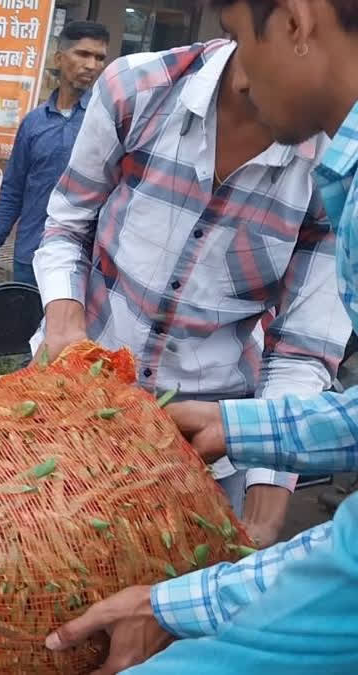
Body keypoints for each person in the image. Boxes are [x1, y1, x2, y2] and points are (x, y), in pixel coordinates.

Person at [46, 2, 358, 670]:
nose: (238, 68)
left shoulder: (334, 176)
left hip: (194, 466)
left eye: (242, 35)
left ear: (296, 24)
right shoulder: (137, 91)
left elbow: (303, 347)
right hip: (80, 422)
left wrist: (265, 483)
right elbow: (66, 222)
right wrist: (65, 320)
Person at [0, 21, 109, 288]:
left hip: (82, 261)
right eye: (83, 54)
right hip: (30, 254)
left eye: (99, 58)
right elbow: (13, 191)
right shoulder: (34, 123)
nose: (92, 65)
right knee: (26, 327)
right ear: (59, 58)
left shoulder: (106, 120)